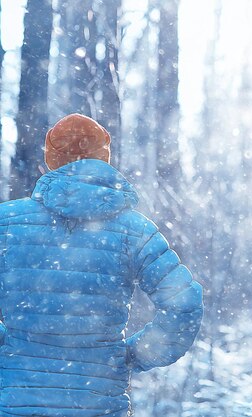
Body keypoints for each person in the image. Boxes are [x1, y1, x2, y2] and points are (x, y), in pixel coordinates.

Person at [0, 113, 204, 416]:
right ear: (103, 159)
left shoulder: (7, 223)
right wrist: (134, 355)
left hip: (17, 403)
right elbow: (183, 304)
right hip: (100, 403)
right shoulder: (135, 231)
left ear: (51, 161)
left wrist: (9, 345)